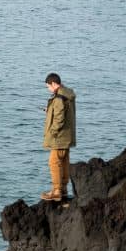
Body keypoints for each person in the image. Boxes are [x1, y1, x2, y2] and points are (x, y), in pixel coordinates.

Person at [41, 73, 76, 202]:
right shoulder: (67, 94)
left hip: (59, 137)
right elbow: (62, 113)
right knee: (64, 161)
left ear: (54, 84)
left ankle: (56, 191)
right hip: (67, 136)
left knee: (54, 162)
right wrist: (49, 110)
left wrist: (53, 132)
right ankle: (64, 190)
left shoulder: (59, 98)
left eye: (48, 86)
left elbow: (59, 119)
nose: (48, 89)